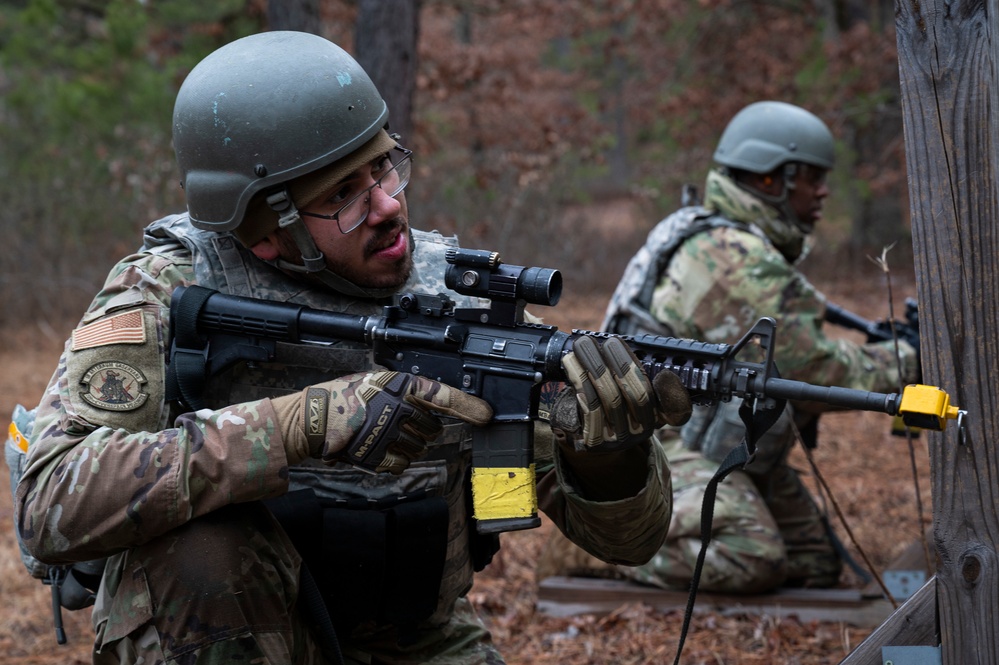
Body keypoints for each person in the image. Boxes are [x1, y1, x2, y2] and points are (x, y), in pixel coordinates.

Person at [14, 31, 692, 664]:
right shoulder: (168, 289)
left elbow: (628, 543)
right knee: (199, 553)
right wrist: (299, 426)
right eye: (341, 195)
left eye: (384, 168)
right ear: (263, 231)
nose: (388, 206)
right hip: (229, 630)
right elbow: (48, 501)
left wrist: (610, 458)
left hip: (414, 635)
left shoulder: (450, 295)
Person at [538, 101, 919, 594]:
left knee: (812, 563)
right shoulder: (733, 254)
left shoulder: (723, 237)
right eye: (811, 177)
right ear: (769, 180)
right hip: (664, 441)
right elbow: (816, 371)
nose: (824, 191)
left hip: (713, 438)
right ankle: (593, 547)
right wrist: (911, 360)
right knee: (753, 554)